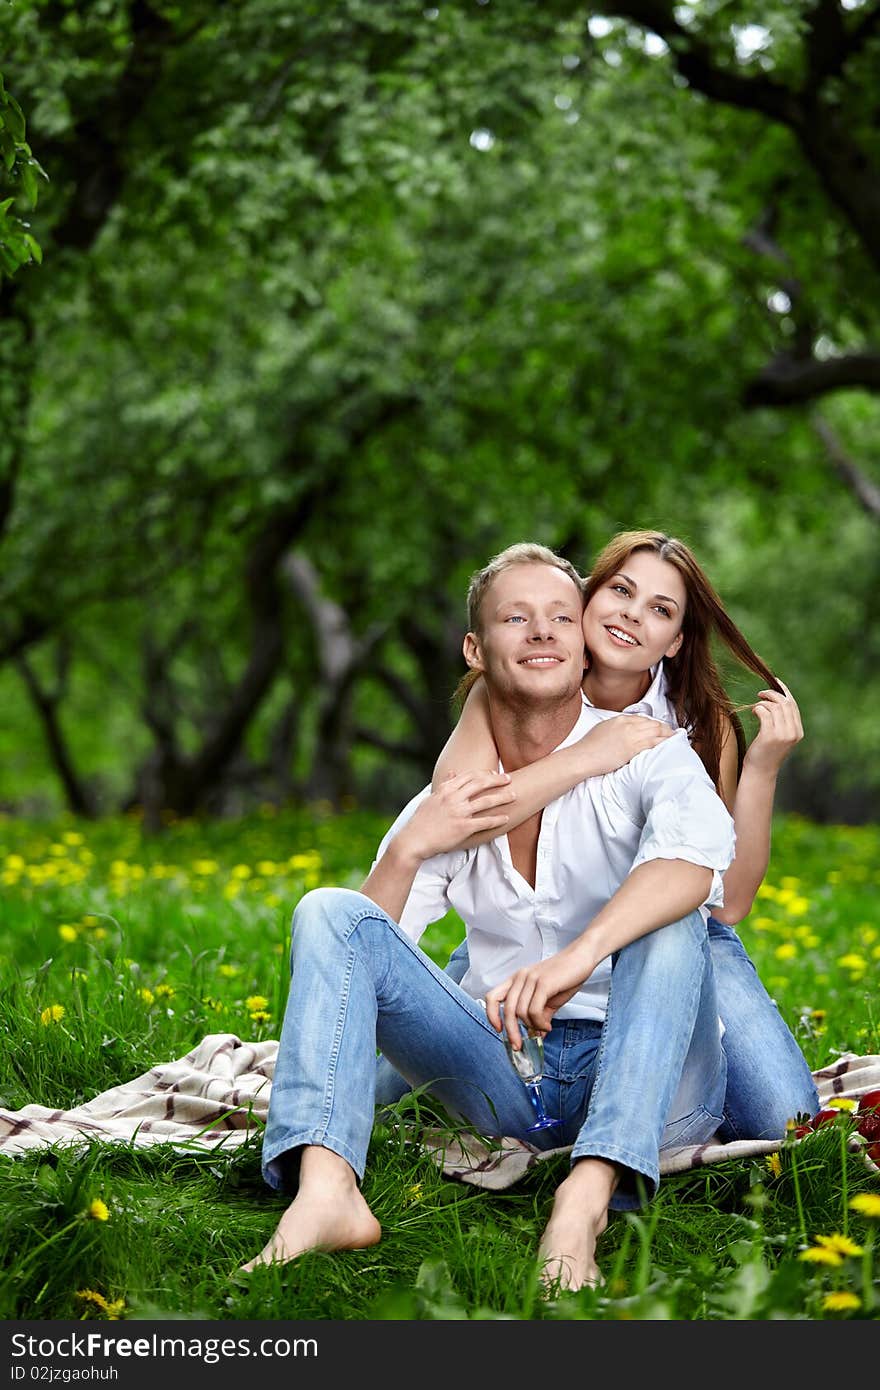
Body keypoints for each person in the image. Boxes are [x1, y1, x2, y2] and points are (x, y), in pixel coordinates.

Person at [243, 542, 737, 1289]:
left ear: (583, 646)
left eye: (559, 618)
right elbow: (360, 963)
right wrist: (409, 849)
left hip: (650, 1083)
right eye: (517, 617)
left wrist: (575, 959)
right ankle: (326, 1192)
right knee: (327, 909)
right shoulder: (453, 801)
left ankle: (585, 1200)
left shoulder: (650, 755)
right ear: (476, 648)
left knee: (669, 914)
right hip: (510, 1086)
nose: (541, 632)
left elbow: (697, 865)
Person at [426, 529, 819, 1143]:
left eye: (660, 610)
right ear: (586, 598)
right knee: (413, 1073)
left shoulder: (697, 722)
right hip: (530, 921)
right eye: (621, 591)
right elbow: (453, 815)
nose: (633, 616)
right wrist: (589, 754)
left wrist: (763, 766)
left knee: (786, 1121)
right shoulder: (524, 681)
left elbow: (729, 904)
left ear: (675, 640)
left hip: (673, 934)